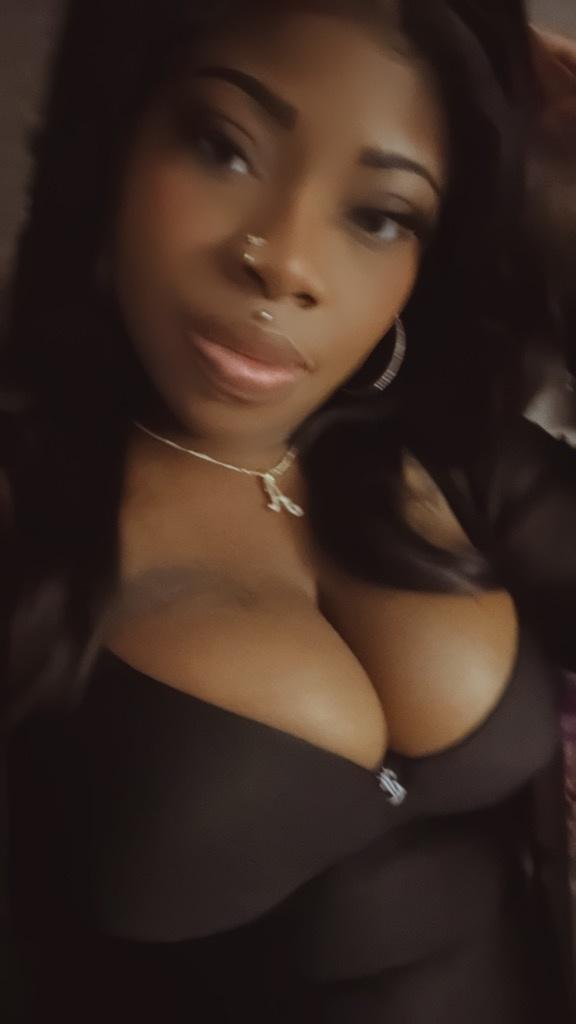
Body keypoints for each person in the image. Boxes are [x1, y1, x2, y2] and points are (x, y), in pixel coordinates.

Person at [1, 1, 575, 1020]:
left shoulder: (453, 458)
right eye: (223, 148)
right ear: (116, 135)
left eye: (380, 215)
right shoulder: (26, 507)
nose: (286, 261)